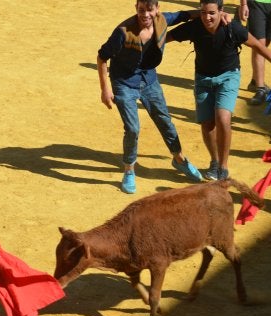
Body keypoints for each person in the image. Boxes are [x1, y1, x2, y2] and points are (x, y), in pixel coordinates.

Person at [97, 0, 203, 194]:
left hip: (149, 79)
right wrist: (105, 89)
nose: (145, 14)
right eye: (141, 10)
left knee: (164, 120)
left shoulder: (162, 20)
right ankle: (129, 169)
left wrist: (205, 12)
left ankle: (179, 159)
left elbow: (182, 15)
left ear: (157, 10)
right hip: (124, 82)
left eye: (149, 10)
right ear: (136, 9)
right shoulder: (122, 32)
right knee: (132, 128)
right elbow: (102, 57)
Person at [168, 0, 271, 180]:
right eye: (203, 12)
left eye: (212, 13)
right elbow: (164, 38)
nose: (207, 17)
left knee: (223, 117)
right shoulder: (195, 27)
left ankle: (223, 166)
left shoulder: (233, 28)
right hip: (203, 79)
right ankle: (214, 162)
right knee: (207, 122)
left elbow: (258, 45)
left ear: (221, 11)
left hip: (229, 76)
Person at [238, 0, 271, 105]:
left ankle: (254, 81)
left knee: (265, 43)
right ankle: (260, 89)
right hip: (256, 4)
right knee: (259, 44)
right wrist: (243, 4)